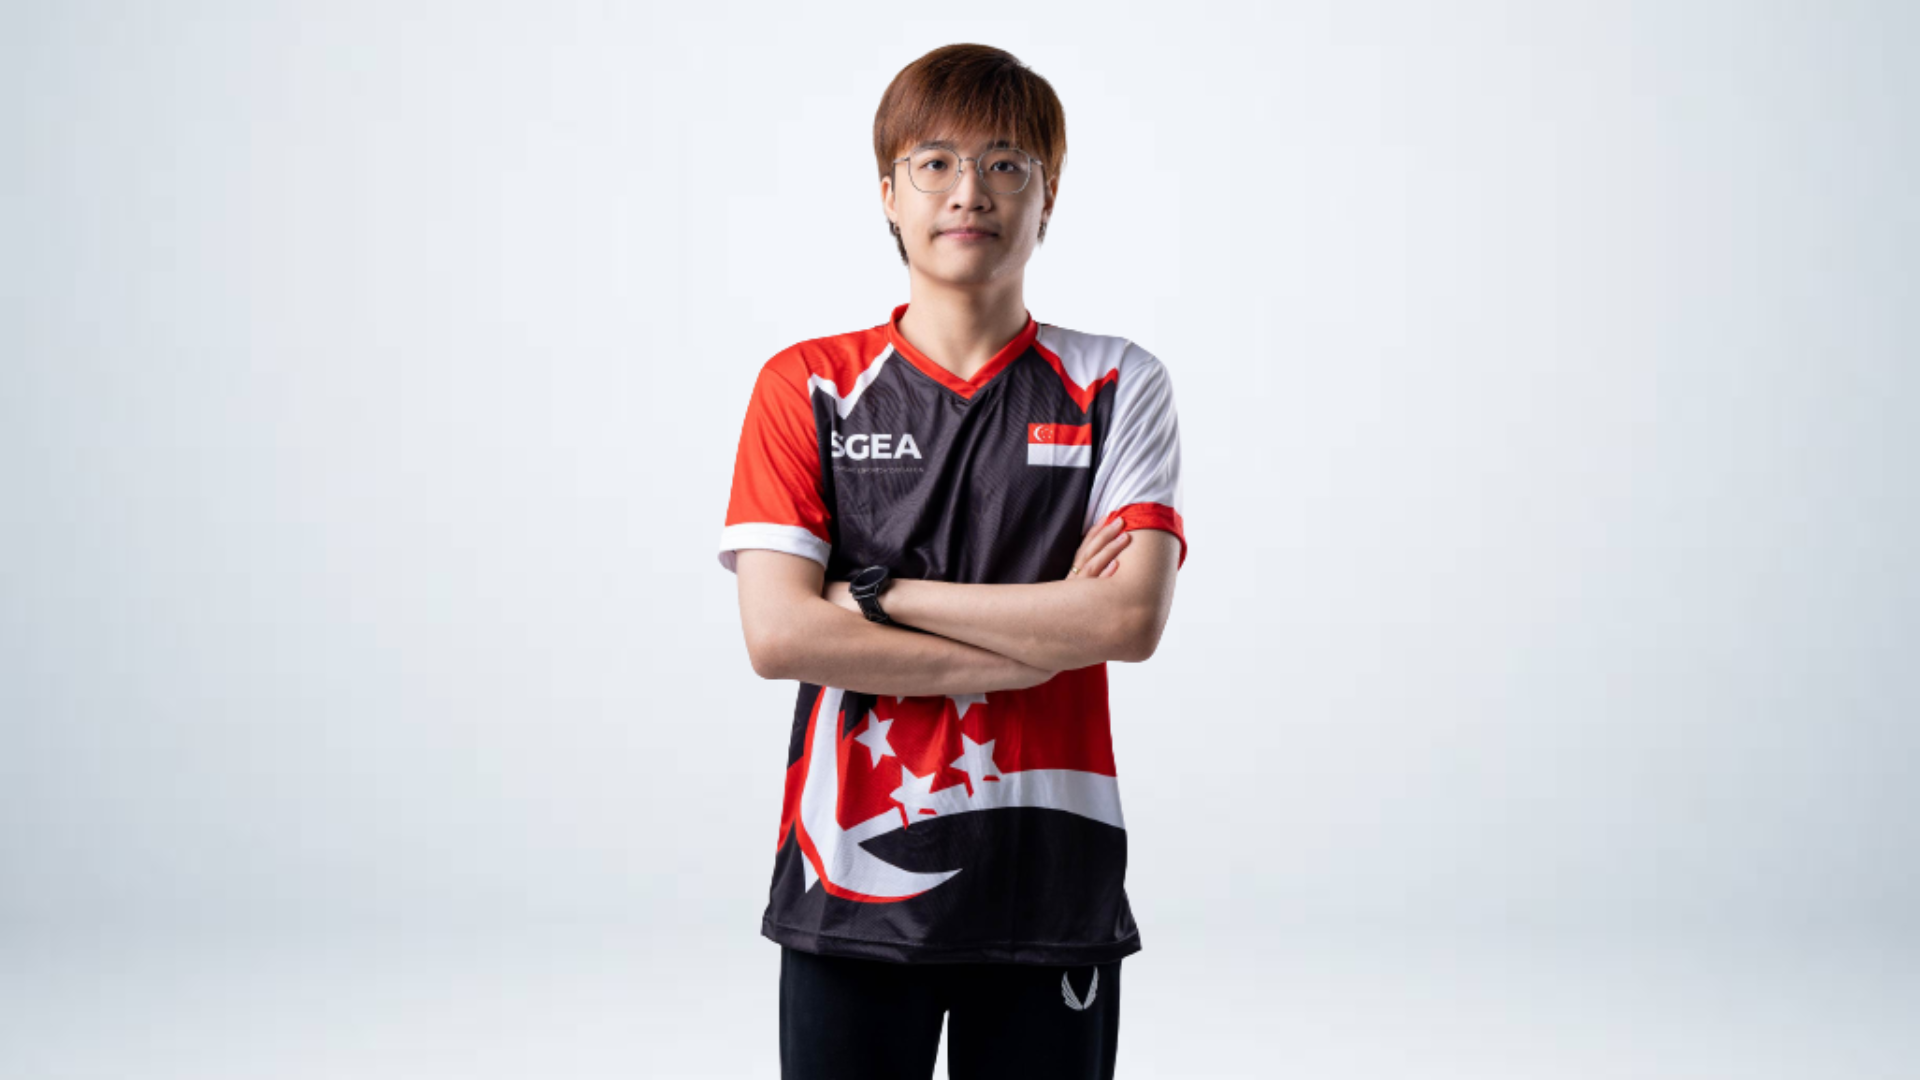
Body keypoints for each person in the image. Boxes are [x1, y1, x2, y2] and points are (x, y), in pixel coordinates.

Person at [717, 42, 1187, 1080]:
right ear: (888, 193)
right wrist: (1038, 640)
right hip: (851, 877)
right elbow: (780, 635)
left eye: (1006, 163)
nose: (969, 190)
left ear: (1048, 194)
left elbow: (1126, 621)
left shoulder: (1117, 383)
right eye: (934, 163)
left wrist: (877, 596)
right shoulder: (809, 385)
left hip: (1049, 876)